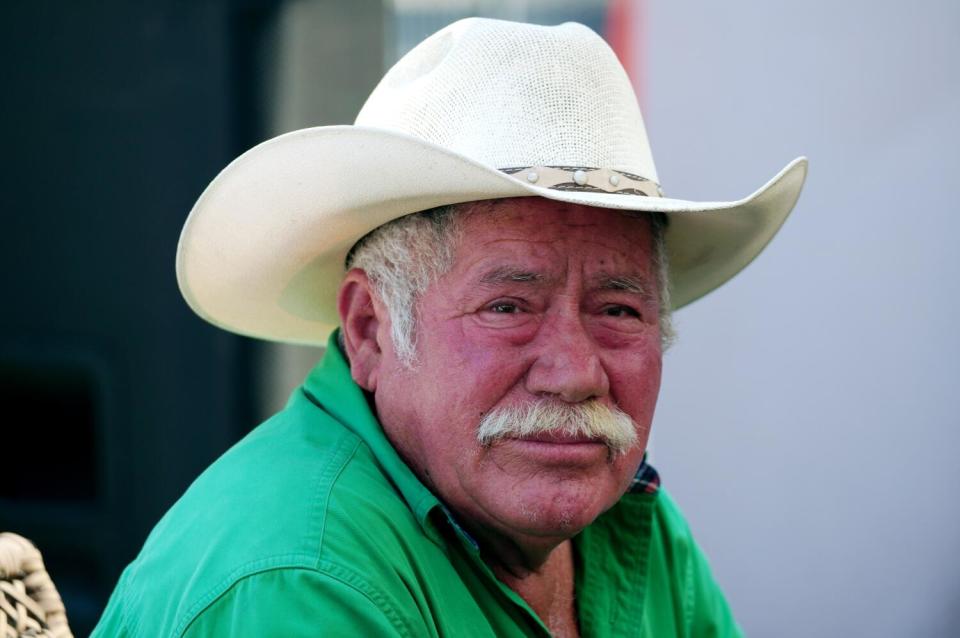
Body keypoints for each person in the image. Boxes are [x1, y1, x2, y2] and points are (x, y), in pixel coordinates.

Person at [93, 17, 806, 637]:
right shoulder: (297, 580)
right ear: (370, 329)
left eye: (618, 310)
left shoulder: (624, 522)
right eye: (508, 307)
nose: (576, 372)